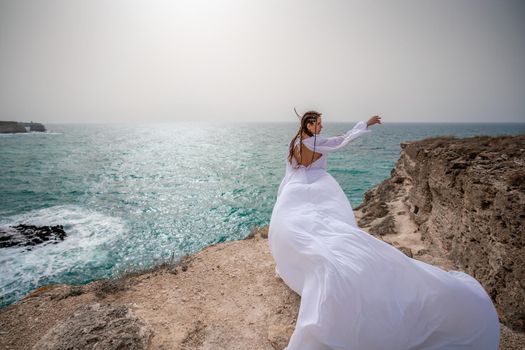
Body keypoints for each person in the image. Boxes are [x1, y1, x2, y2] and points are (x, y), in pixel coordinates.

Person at [267, 110, 500, 350]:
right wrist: (364, 124)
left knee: (299, 221)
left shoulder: (295, 142)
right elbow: (341, 141)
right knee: (327, 221)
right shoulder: (316, 142)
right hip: (318, 185)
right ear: (308, 124)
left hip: (295, 187)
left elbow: (295, 167)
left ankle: (297, 257)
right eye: (318, 124)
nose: (321, 127)